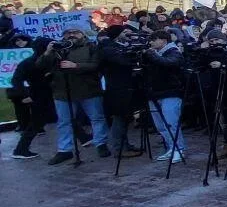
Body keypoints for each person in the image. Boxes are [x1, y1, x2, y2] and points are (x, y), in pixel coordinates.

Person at [37, 27, 109, 165]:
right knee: (64, 122)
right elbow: (40, 66)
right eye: (68, 33)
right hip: (63, 92)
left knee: (97, 117)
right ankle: (65, 150)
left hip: (89, 89)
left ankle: (101, 143)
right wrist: (47, 52)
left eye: (75, 32)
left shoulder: (91, 46)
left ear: (82, 34)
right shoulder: (57, 49)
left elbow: (96, 65)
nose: (72, 35)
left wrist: (75, 65)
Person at [140, 30, 187, 162]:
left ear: (163, 40)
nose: (151, 43)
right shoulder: (152, 54)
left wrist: (152, 55)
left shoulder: (174, 52)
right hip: (154, 93)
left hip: (170, 92)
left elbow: (167, 64)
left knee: (171, 123)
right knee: (160, 125)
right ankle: (171, 147)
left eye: (154, 40)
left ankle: (179, 149)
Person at [98, 25, 144, 159]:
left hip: (127, 86)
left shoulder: (120, 46)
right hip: (117, 88)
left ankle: (126, 145)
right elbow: (124, 62)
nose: (128, 33)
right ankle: (119, 149)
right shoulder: (109, 49)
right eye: (125, 32)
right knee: (119, 118)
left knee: (125, 118)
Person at [7, 37, 55, 159]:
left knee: (64, 116)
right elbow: (16, 80)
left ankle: (84, 137)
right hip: (39, 95)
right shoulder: (29, 63)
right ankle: (20, 149)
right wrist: (24, 95)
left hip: (50, 93)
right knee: (37, 122)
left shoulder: (48, 59)